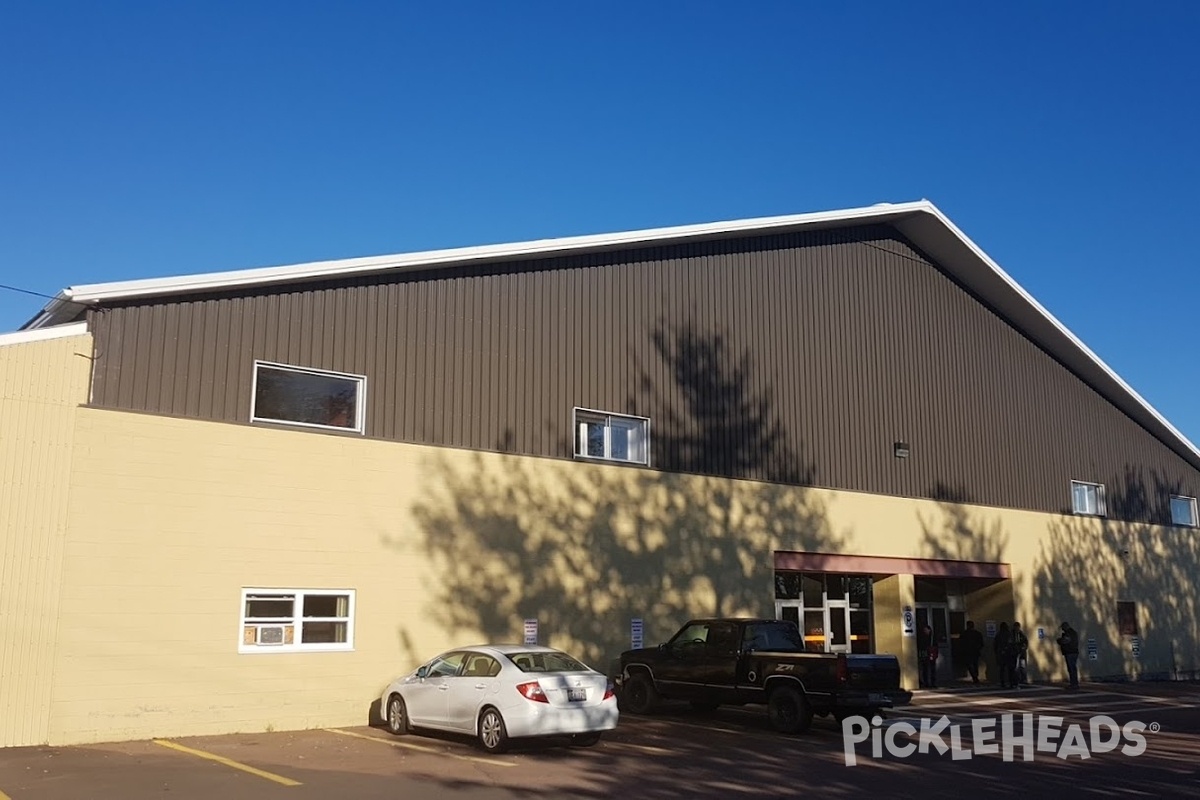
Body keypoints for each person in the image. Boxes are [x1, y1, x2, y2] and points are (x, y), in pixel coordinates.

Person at [1056, 621, 1080, 690]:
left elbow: (1065, 641)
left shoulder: (1069, 633)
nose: (1062, 629)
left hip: (1070, 652)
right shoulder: (1073, 632)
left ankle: (1074, 684)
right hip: (1073, 652)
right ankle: (1074, 683)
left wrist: (1059, 640)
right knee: (1073, 668)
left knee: (1071, 668)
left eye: (1063, 628)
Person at [917, 623, 938, 689]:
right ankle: (927, 682)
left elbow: (936, 645)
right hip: (925, 654)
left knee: (931, 669)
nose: (925, 631)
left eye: (926, 630)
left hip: (930, 653)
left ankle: (932, 683)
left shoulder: (932, 637)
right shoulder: (923, 637)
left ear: (929, 630)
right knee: (925, 668)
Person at [1010, 622, 1029, 687]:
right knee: (1016, 667)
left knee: (1022, 666)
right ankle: (1016, 680)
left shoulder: (1021, 634)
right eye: (1016, 627)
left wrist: (1024, 647)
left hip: (1021, 653)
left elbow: (1026, 642)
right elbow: (1010, 643)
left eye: (1018, 627)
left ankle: (1023, 679)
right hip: (1014, 653)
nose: (1017, 628)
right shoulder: (1011, 634)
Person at [994, 622, 1012, 688]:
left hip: (1000, 653)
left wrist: (997, 652)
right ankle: (1011, 682)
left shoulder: (998, 634)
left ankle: (1002, 682)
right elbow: (1010, 644)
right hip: (1008, 654)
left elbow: (995, 645)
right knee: (1010, 669)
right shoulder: (1009, 634)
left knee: (1002, 669)